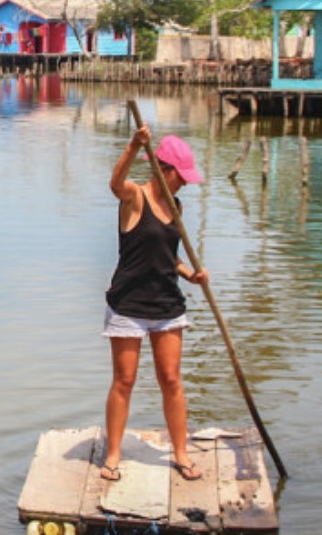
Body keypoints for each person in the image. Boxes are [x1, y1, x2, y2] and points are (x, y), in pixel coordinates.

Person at [100, 124, 209, 483]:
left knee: (171, 379)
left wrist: (190, 275)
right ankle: (113, 455)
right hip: (128, 304)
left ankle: (181, 453)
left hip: (166, 304)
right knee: (124, 381)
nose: (185, 184)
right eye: (181, 177)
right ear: (165, 171)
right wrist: (133, 146)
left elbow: (167, 256)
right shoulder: (135, 197)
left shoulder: (175, 206)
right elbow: (115, 184)